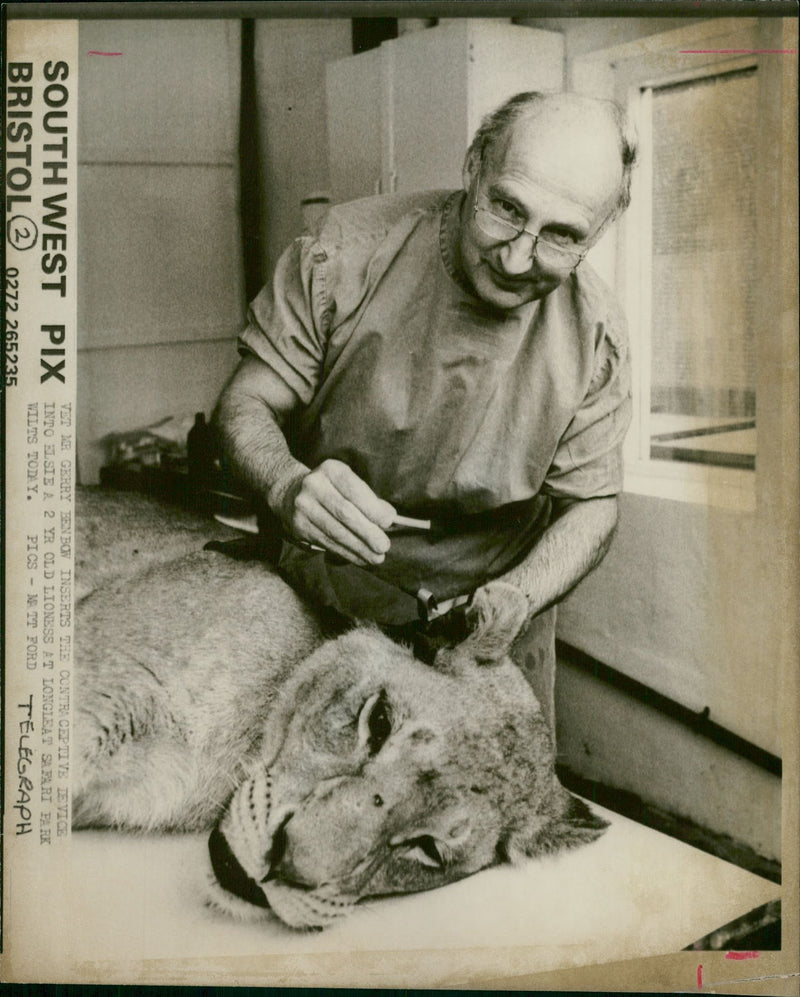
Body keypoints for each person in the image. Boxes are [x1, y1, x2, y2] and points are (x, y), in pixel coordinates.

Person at [214, 91, 636, 728]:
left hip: (493, 625)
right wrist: (285, 485)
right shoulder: (341, 255)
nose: (519, 258)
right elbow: (246, 402)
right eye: (505, 208)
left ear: (599, 232)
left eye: (562, 236)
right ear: (473, 166)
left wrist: (518, 596)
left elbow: (593, 504)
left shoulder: (595, 332)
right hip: (321, 599)